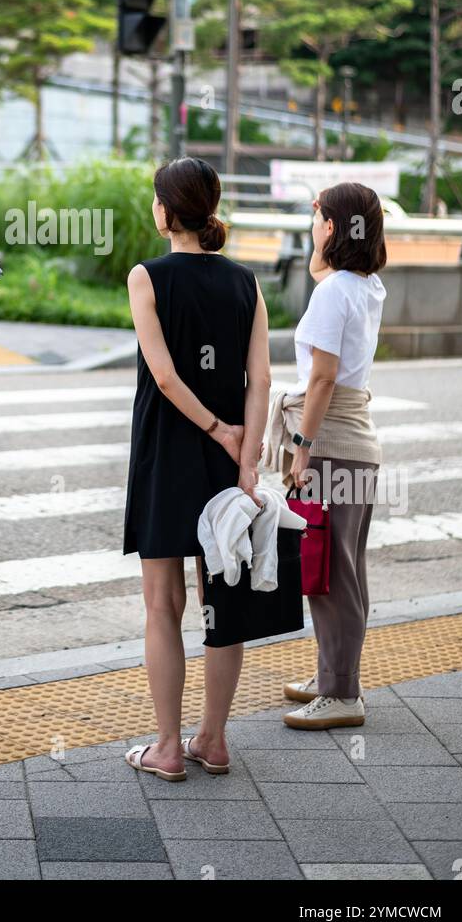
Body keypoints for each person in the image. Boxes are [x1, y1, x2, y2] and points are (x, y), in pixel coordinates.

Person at [122, 157, 271, 780]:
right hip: (224, 462)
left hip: (167, 453)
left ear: (165, 211)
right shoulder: (245, 282)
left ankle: (166, 745)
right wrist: (246, 453)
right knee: (223, 599)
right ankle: (212, 738)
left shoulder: (146, 277)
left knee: (163, 603)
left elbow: (163, 375)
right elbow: (259, 378)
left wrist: (214, 426)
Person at [264, 182, 387, 729]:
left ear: (333, 228)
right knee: (342, 568)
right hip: (358, 446)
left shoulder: (334, 291)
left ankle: (342, 694)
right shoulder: (365, 285)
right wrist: (326, 241)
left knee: (330, 572)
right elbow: (325, 277)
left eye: (318, 220)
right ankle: (333, 675)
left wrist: (301, 448)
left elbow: (322, 377)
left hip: (331, 446)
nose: (311, 227)